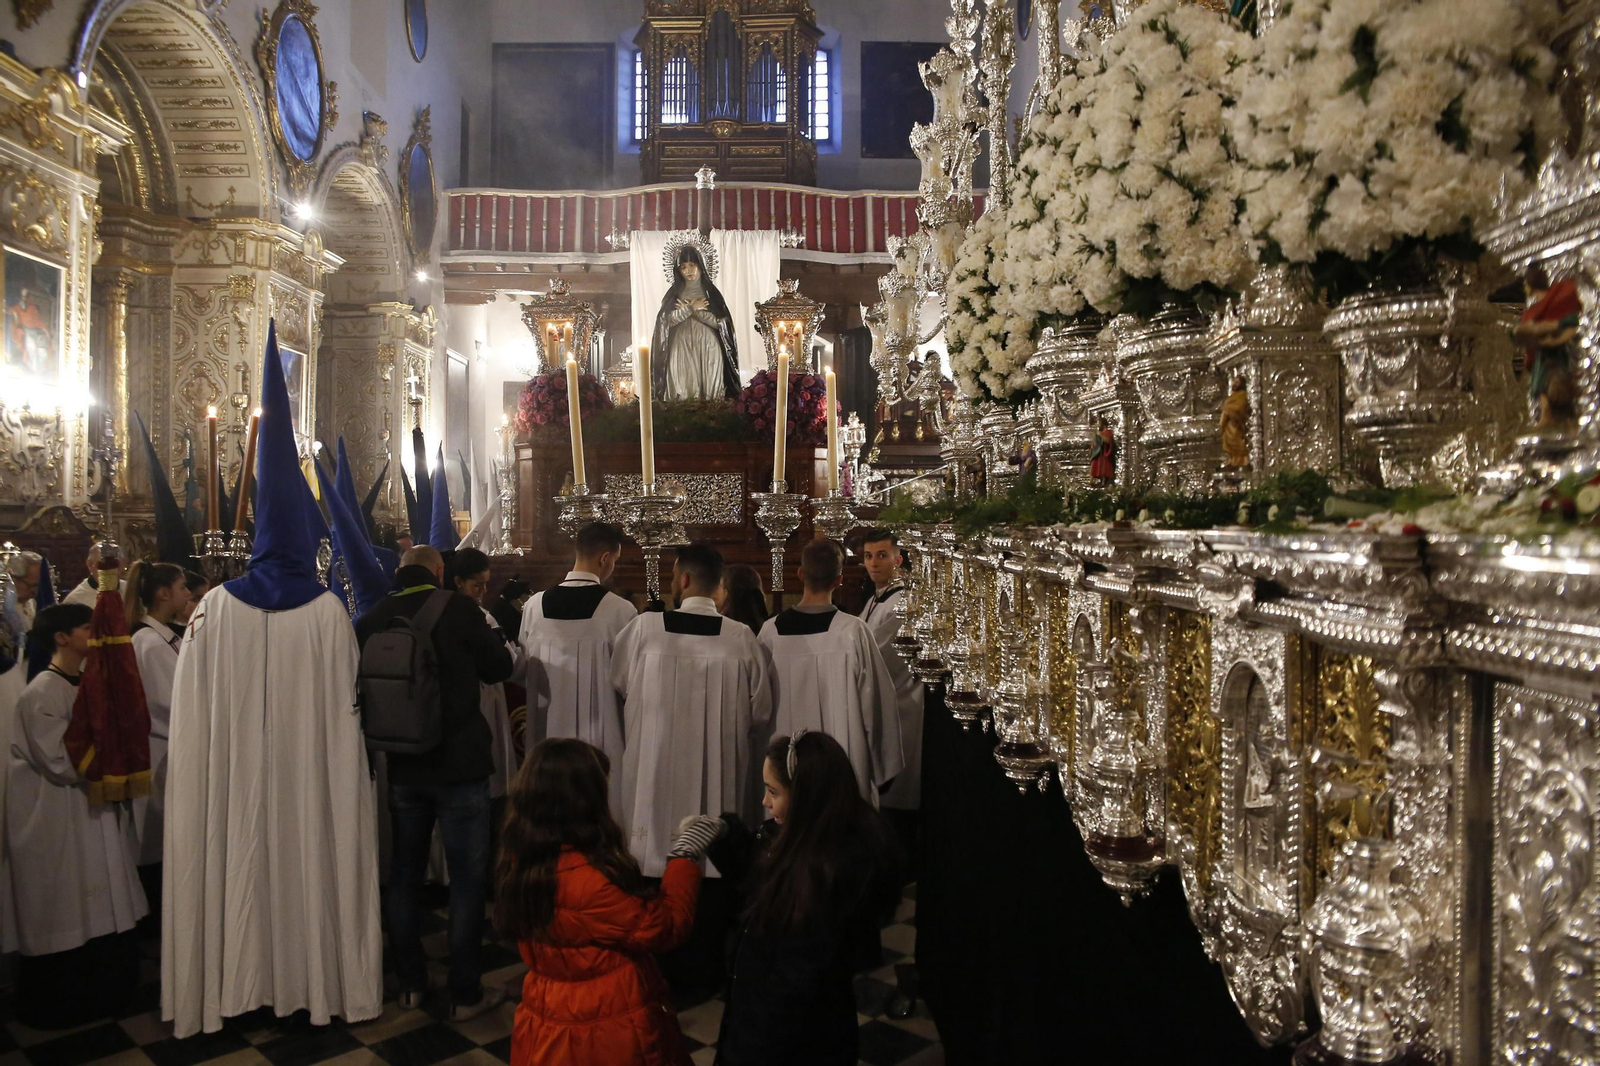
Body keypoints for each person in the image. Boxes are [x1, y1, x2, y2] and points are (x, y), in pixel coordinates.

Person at [163, 324, 382, 1038]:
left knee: (234, 857)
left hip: (228, 784)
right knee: (305, 865)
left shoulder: (211, 613)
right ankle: (309, 979)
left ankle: (228, 982)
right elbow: (346, 710)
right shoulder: (325, 614)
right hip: (307, 784)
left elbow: (192, 719)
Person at [356, 543, 515, 1021]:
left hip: (403, 765)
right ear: (441, 571)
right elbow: (499, 668)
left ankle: (410, 984)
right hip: (460, 765)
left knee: (404, 877)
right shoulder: (461, 609)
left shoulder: (373, 616)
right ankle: (465, 993)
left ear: (400, 572)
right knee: (466, 882)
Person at [497, 738, 726, 1066]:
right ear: (581, 803)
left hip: (547, 1020)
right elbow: (665, 926)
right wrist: (684, 855)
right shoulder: (589, 882)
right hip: (604, 1028)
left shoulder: (520, 863)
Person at [610, 542, 772, 995]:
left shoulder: (643, 629)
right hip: (718, 774)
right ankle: (705, 971)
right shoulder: (741, 637)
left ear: (681, 580)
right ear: (719, 587)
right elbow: (761, 712)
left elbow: (619, 683)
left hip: (652, 774)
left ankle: (653, 969)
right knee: (711, 862)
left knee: (651, 860)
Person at [709, 732, 901, 1066]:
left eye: (773, 792)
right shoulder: (805, 845)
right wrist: (728, 838)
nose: (765, 803)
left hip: (791, 1044)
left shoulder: (825, 877)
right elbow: (759, 883)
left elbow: (794, 988)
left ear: (807, 798)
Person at [6, 602, 147, 1030]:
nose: (95, 635)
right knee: (65, 905)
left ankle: (110, 992)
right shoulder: (41, 694)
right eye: (87, 628)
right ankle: (66, 1001)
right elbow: (59, 762)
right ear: (62, 637)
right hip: (56, 817)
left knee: (104, 899)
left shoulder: (86, 682)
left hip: (91, 811)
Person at [757, 540, 901, 802]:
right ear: (839, 580)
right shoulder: (853, 632)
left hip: (783, 766)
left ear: (800, 574)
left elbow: (758, 706)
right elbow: (878, 704)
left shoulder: (770, 632)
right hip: (843, 763)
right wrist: (882, 769)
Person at [518, 522, 636, 813]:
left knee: (547, 811)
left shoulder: (534, 605)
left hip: (546, 738)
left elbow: (523, 666)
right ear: (605, 558)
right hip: (600, 737)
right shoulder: (620, 611)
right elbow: (630, 681)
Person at [124, 561, 191, 896]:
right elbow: (168, 702)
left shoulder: (163, 637)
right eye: (182, 587)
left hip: (168, 748)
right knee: (157, 844)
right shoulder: (149, 642)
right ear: (164, 594)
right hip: (160, 750)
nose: (188, 594)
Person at [858, 530, 924, 849]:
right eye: (868, 556)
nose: (874, 563)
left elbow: (876, 655)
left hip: (901, 702)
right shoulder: (876, 597)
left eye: (882, 555)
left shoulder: (901, 601)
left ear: (898, 559)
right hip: (883, 701)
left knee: (899, 788)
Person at [651, 245, 740, 401]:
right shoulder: (674, 294)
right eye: (683, 267)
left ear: (700, 265)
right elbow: (666, 322)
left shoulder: (711, 294)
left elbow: (720, 324)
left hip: (708, 346)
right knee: (682, 386)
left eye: (692, 265)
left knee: (709, 390)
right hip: (681, 347)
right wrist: (692, 307)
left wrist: (694, 311)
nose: (688, 271)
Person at [63, 543, 127, 607]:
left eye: (115, 565)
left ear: (123, 563)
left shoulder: (130, 590)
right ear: (90, 564)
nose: (109, 571)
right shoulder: (75, 600)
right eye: (104, 566)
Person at [716, 563, 768, 634]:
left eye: (719, 586)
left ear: (727, 593)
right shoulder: (769, 628)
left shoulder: (720, 628)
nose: (715, 591)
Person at [1220, 375, 1250, 468]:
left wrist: (1228, 409)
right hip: (1228, 424)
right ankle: (1233, 460)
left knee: (1237, 442)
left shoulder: (1242, 395)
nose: (1234, 384)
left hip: (1236, 423)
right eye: (1234, 382)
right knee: (1228, 443)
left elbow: (1240, 407)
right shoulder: (1233, 396)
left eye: (1237, 383)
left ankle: (1243, 460)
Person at [1090, 415, 1116, 484]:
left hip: (1104, 454)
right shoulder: (1099, 432)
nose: (1098, 425)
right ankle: (1092, 480)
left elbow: (1108, 441)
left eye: (1099, 424)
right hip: (1097, 453)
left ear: (1103, 425)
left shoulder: (1108, 432)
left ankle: (1104, 480)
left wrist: (1100, 435)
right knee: (1095, 465)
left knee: (1104, 468)